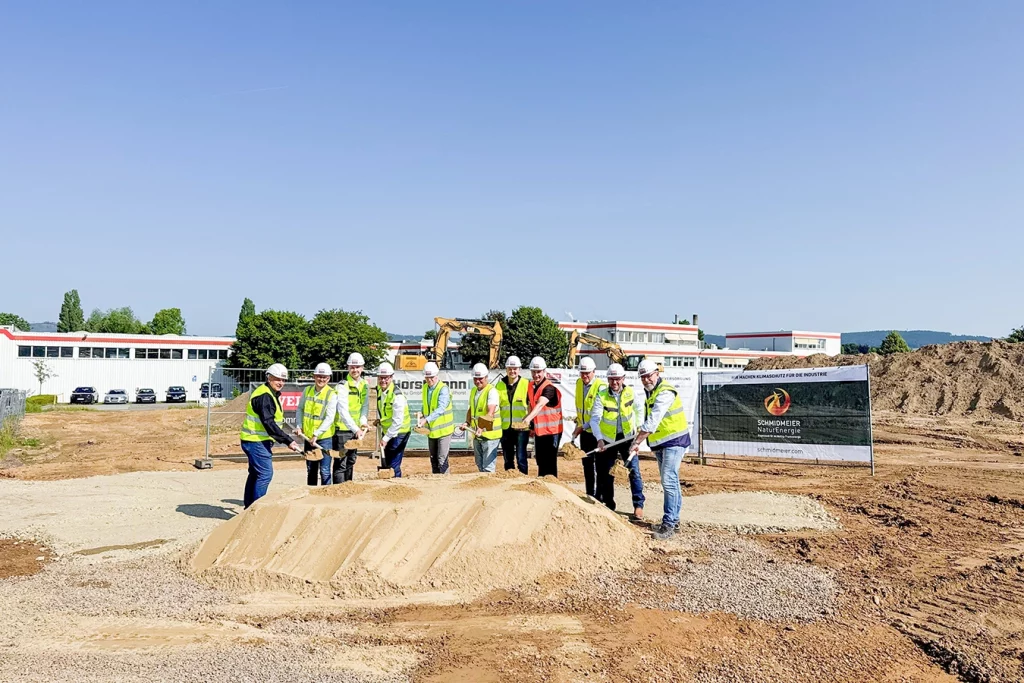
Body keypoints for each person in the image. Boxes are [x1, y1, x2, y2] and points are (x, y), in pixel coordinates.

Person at [629, 359, 691, 540]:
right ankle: (674, 520)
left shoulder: (665, 392)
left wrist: (637, 442)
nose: (646, 379)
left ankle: (669, 524)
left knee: (669, 480)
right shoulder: (651, 391)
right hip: (661, 443)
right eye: (643, 377)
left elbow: (652, 421)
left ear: (657, 373)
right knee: (672, 481)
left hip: (674, 441)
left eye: (649, 375)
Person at [239, 363, 302, 508]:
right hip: (256, 440)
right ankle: (258, 509)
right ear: (268, 377)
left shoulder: (269, 393)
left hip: (256, 440)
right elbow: (268, 423)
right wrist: (288, 441)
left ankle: (249, 507)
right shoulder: (264, 396)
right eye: (277, 379)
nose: (280, 382)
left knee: (255, 473)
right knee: (265, 474)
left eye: (283, 380)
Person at [591, 362, 645, 520]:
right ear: (608, 379)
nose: (614, 382)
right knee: (607, 473)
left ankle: (638, 506)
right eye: (611, 379)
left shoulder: (630, 393)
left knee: (634, 472)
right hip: (608, 440)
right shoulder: (602, 396)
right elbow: (595, 420)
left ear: (623, 378)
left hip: (629, 439)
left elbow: (639, 410)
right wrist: (600, 440)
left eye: (617, 379)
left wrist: (638, 435)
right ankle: (609, 505)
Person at [294, 362, 337, 486]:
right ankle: (310, 496)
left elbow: (329, 418)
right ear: (314, 376)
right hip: (308, 438)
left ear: (328, 378)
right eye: (319, 376)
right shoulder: (307, 391)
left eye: (324, 377)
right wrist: (299, 425)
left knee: (325, 471)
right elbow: (300, 409)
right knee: (311, 470)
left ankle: (325, 497)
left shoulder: (331, 394)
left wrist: (316, 434)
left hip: (324, 439)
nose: (321, 379)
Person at [333, 352, 370, 483]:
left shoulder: (364, 384)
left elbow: (364, 406)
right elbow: (342, 411)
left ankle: (349, 489)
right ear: (348, 368)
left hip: (356, 430)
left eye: (357, 367)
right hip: (343, 430)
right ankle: (338, 491)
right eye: (352, 367)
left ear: (362, 368)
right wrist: (356, 429)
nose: (355, 370)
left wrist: (363, 423)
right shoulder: (342, 386)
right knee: (341, 463)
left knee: (351, 460)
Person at [573, 356, 607, 499]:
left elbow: (599, 414)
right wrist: (579, 424)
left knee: (600, 466)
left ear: (594, 372)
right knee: (587, 464)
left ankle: (599, 496)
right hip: (585, 432)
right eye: (582, 373)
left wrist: (582, 426)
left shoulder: (601, 386)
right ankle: (589, 494)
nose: (584, 376)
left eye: (587, 373)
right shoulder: (578, 383)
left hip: (598, 432)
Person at [522, 356, 562, 477]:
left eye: (538, 372)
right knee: (540, 460)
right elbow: (531, 404)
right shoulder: (530, 386)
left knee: (549, 462)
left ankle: (552, 488)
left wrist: (527, 419)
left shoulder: (549, 388)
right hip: (540, 431)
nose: (536, 375)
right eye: (533, 372)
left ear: (544, 371)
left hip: (552, 432)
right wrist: (532, 426)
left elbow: (540, 405)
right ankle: (543, 487)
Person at [418, 361, 454, 474]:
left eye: (432, 377)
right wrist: (422, 414)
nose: (429, 380)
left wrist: (426, 419)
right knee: (433, 459)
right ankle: (435, 483)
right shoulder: (425, 388)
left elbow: (441, 408)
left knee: (442, 459)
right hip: (432, 431)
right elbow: (426, 405)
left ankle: (445, 483)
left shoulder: (443, 389)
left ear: (437, 375)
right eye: (427, 377)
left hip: (444, 431)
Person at [376, 362, 411, 477]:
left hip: (400, 432)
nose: (383, 380)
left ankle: (396, 487)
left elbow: (397, 422)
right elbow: (387, 412)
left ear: (391, 377)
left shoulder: (397, 396)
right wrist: (380, 421)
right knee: (386, 462)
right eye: (381, 377)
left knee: (393, 464)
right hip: (388, 432)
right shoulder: (381, 391)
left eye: (386, 378)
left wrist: (385, 439)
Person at [497, 355, 530, 474]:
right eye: (510, 368)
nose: (512, 371)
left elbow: (531, 405)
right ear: (506, 369)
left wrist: (530, 423)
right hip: (505, 428)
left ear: (519, 369)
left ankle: (523, 480)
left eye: (515, 368)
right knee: (507, 458)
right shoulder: (500, 385)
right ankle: (509, 483)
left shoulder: (526, 384)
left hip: (521, 428)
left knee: (521, 457)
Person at [466, 363, 502, 472]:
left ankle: (490, 488)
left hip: (490, 435)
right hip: (478, 435)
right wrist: (467, 423)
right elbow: (471, 409)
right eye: (475, 378)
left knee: (488, 467)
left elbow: (490, 412)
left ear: (486, 377)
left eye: (480, 378)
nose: (478, 381)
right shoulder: (474, 391)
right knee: (479, 464)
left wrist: (481, 428)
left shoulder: (491, 392)